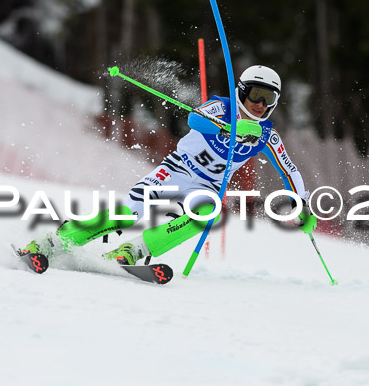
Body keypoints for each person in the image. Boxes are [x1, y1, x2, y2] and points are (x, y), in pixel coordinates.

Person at [22, 65, 317, 265]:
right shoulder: (222, 107)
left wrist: (301, 205)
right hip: (177, 170)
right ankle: (51, 242)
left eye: (269, 98)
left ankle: (132, 251)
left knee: (208, 215)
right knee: (128, 213)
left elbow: (289, 170)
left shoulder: (267, 134)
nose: (261, 104)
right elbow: (196, 119)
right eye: (256, 94)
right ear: (242, 91)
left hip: (206, 187)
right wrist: (231, 128)